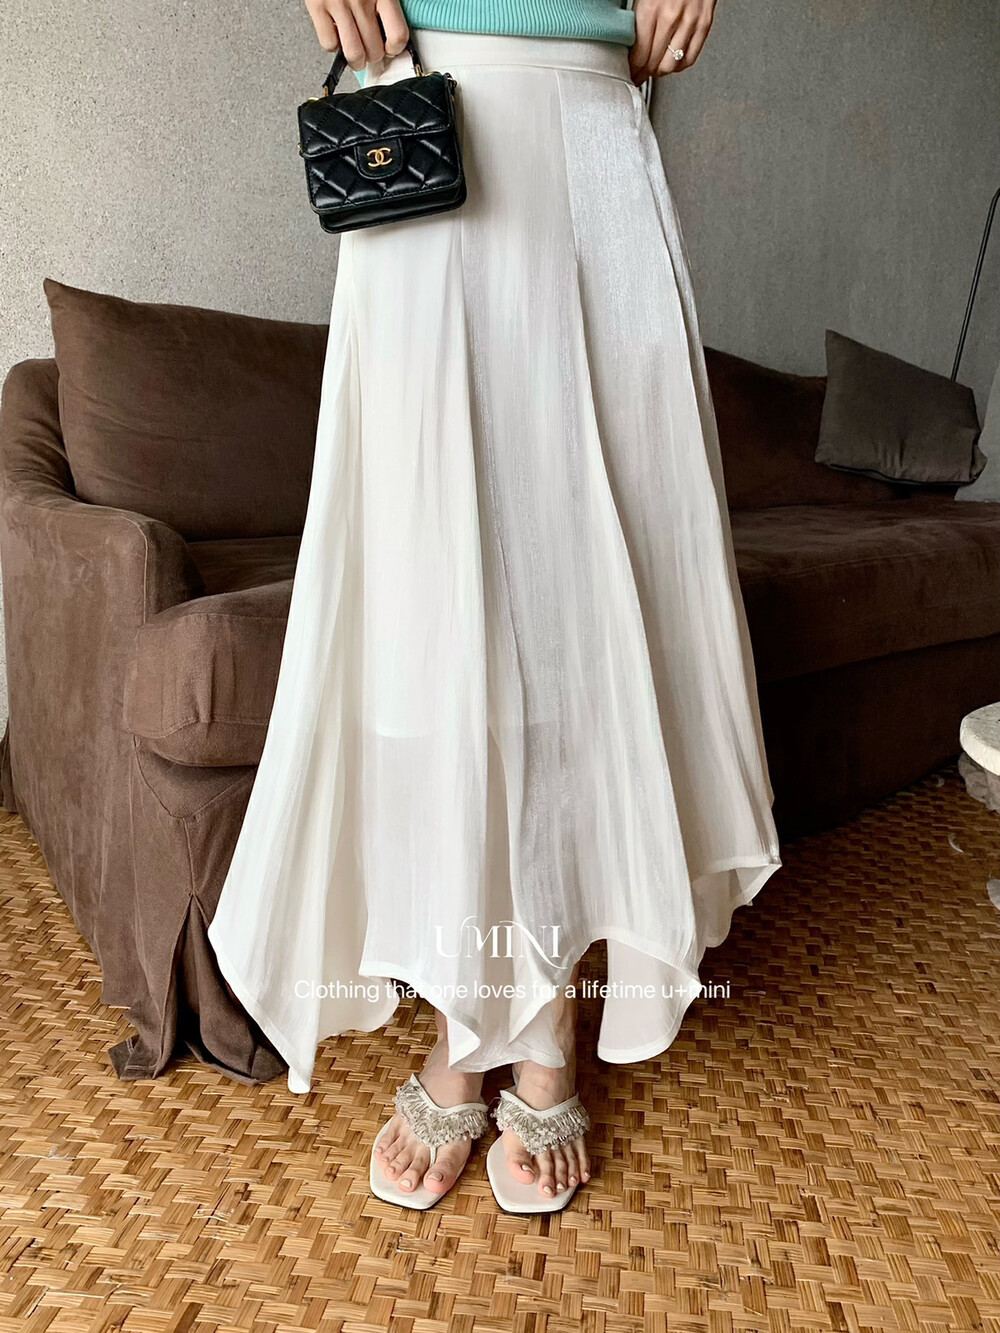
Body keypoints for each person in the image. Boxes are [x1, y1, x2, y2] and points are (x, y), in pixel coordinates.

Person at [207, 0, 782, 1215]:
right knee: (424, 602)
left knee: (592, 600)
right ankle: (470, 1024)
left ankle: (540, 1019)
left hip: (591, 109)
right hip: (423, 113)